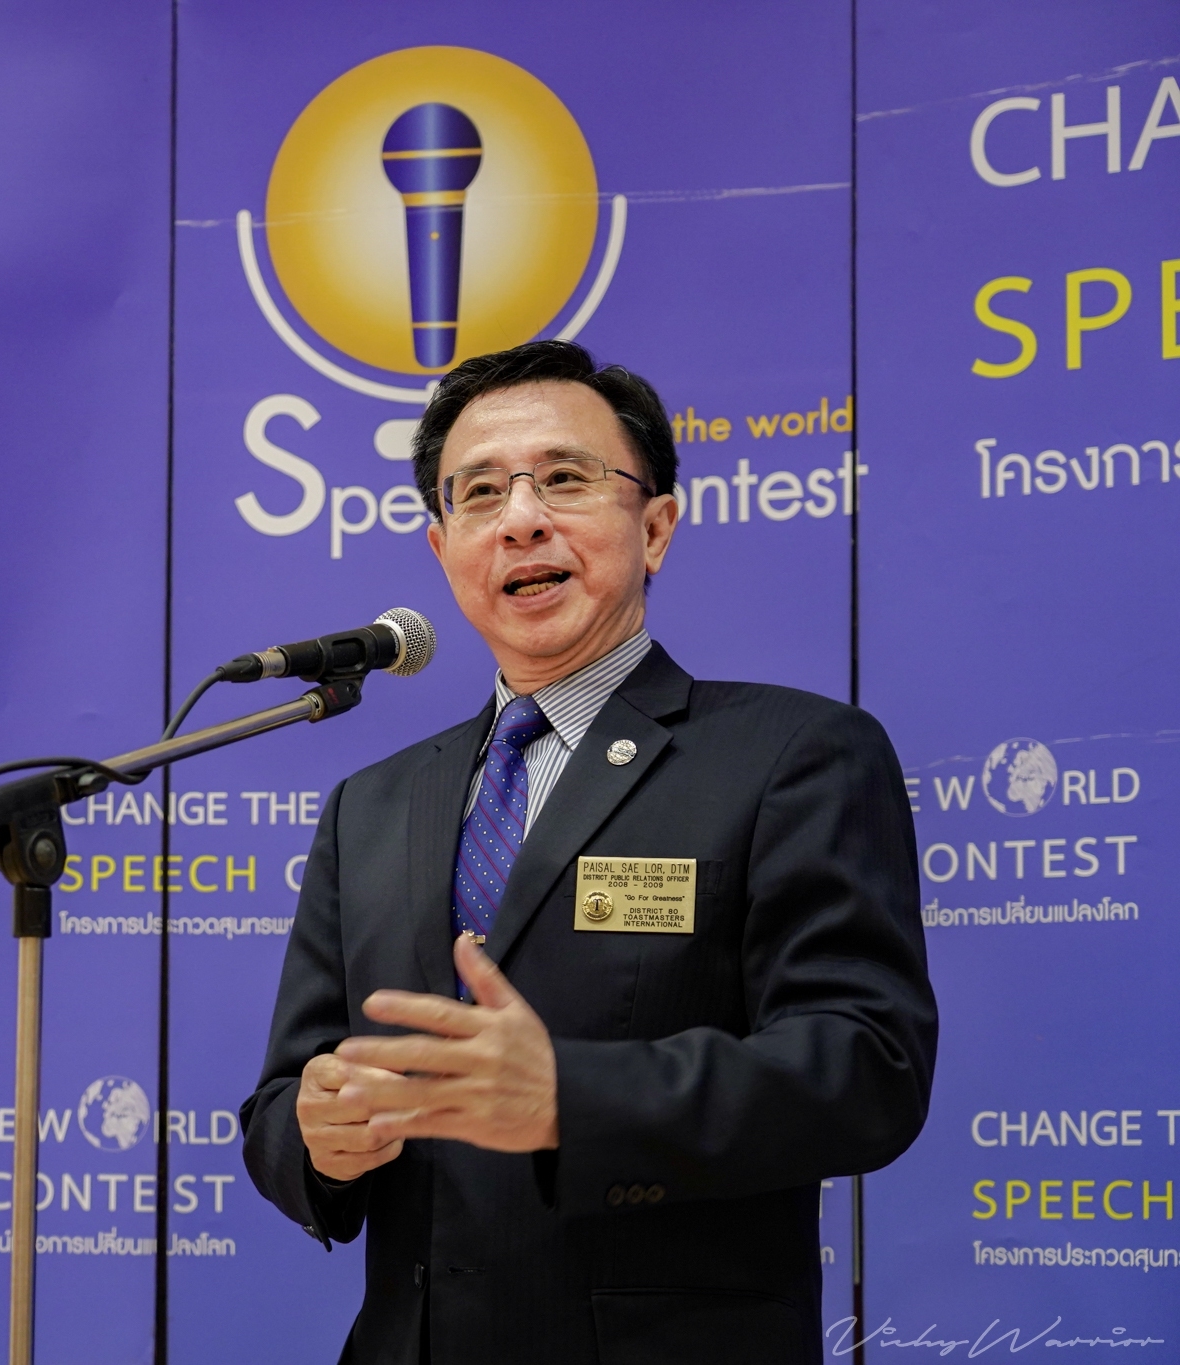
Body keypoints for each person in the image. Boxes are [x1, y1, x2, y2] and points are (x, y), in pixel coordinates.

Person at [239, 341, 935, 1365]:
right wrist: (319, 1137)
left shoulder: (790, 755)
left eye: (563, 478)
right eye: (480, 492)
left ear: (654, 527)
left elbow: (866, 1069)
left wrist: (572, 1095)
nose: (520, 518)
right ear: (442, 547)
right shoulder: (371, 806)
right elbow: (282, 1102)